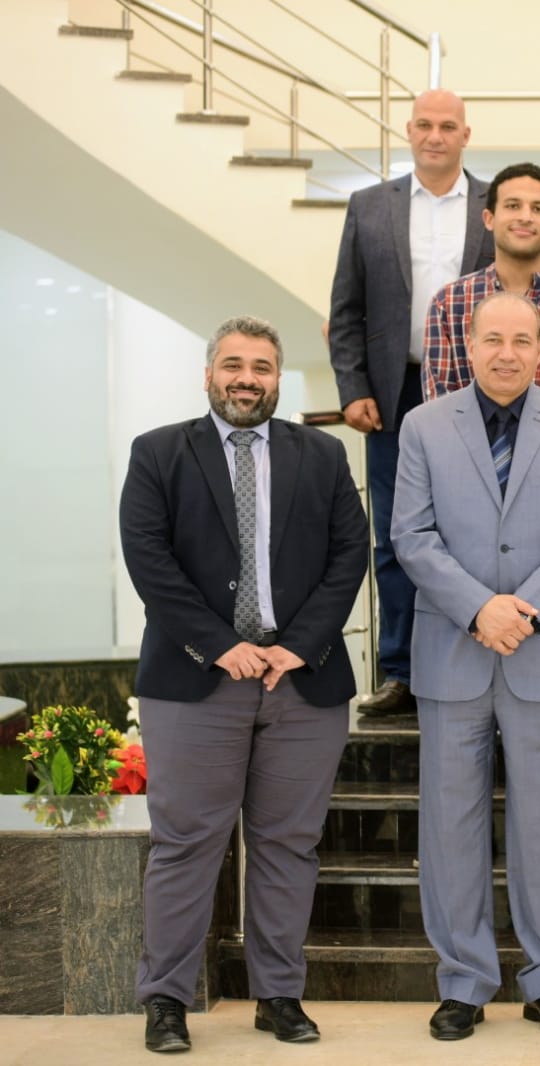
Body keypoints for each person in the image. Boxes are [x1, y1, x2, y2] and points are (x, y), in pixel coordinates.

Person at [121, 316, 368, 1053]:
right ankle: (167, 1000)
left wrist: (298, 645)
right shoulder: (159, 452)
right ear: (208, 374)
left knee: (288, 844)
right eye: (233, 364)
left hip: (302, 681)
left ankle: (279, 995)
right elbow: (149, 560)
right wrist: (221, 645)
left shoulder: (322, 454)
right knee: (186, 844)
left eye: (261, 367)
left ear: (277, 378)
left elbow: (349, 554)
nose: (246, 379)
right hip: (194, 680)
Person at [392, 292, 540, 1041]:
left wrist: (525, 610)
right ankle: (463, 981)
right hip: (452, 648)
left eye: (522, 340)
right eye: (494, 339)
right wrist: (479, 608)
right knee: (449, 824)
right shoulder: (423, 425)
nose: (507, 353)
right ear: (468, 343)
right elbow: (411, 535)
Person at [419, 161, 540, 870]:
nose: (525, 216)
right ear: (489, 216)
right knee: (453, 806)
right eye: (512, 205)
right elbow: (441, 404)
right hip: (465, 529)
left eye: (538, 206)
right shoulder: (452, 303)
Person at [328, 89, 494, 717]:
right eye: (425, 124)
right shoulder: (369, 206)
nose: (435, 135)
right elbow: (346, 307)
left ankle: (479, 654)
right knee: (398, 535)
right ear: (408, 129)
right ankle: (399, 669)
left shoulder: (493, 203)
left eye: (448, 126)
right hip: (394, 392)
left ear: (465, 135)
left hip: (482, 392)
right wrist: (353, 389)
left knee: (479, 532)